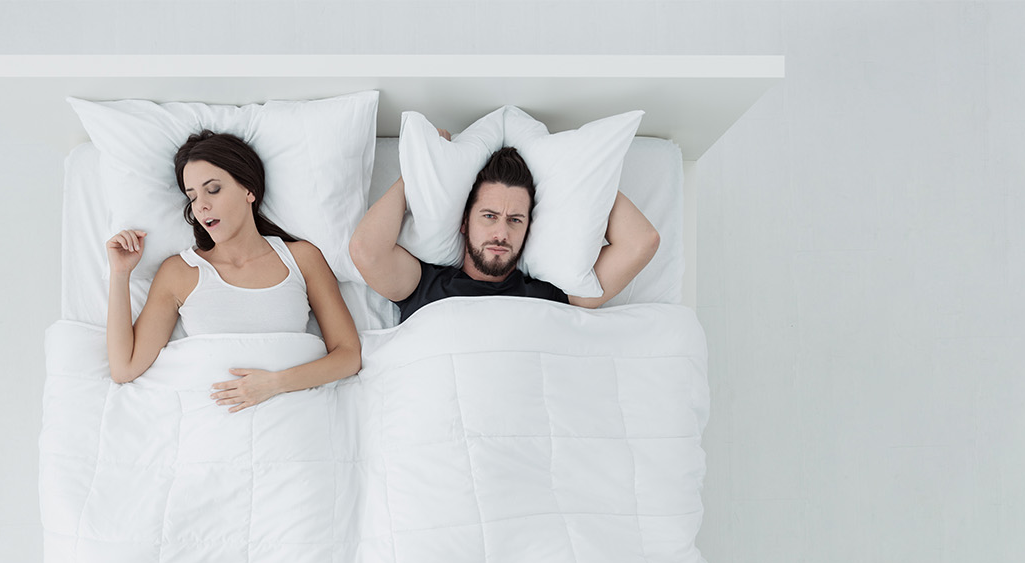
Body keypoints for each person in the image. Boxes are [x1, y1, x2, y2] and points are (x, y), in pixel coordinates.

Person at [105, 130, 361, 412]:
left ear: (249, 190)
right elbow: (124, 368)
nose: (201, 205)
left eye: (213, 189)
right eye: (192, 197)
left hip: (288, 412)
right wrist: (120, 273)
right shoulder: (180, 272)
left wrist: (274, 384)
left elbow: (348, 356)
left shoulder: (302, 259)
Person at [349, 143, 660, 321]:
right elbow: (366, 249)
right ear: (464, 222)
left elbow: (642, 241)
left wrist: (575, 174)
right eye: (489, 216)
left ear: (528, 229)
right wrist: (419, 174)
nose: (501, 233)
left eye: (515, 220)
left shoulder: (553, 295)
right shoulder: (424, 285)